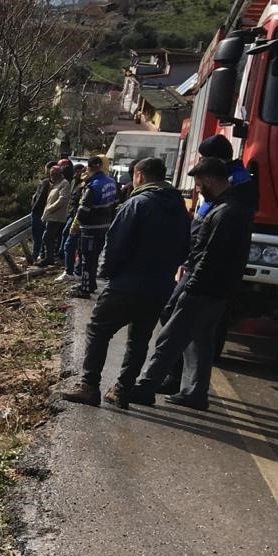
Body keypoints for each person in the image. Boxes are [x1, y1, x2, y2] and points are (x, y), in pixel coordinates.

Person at [61, 158, 191, 408]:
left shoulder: (136, 204)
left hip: (127, 284)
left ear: (140, 175)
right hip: (160, 286)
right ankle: (122, 390)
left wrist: (106, 273)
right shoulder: (179, 209)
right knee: (139, 339)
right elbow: (185, 249)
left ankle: (89, 386)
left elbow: (116, 244)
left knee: (99, 330)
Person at [131, 156, 257, 410]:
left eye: (200, 184)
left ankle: (146, 387)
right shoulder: (233, 208)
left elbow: (210, 255)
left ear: (210, 180)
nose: (198, 190)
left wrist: (190, 286)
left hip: (204, 287)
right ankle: (195, 392)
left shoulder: (226, 213)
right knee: (201, 341)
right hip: (219, 289)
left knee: (171, 336)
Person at [69, 156, 120, 298]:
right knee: (94, 258)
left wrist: (75, 226)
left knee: (86, 259)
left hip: (90, 229)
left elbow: (84, 210)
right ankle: (91, 283)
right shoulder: (111, 182)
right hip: (105, 227)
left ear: (90, 168)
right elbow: (116, 203)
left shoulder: (93, 186)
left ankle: (85, 289)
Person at [39, 162, 75, 267]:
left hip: (56, 216)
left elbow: (62, 199)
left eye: (54, 174)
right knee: (47, 237)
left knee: (47, 237)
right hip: (50, 215)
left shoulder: (64, 183)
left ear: (58, 174)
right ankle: (48, 257)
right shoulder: (54, 184)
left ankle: (49, 258)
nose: (52, 177)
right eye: (51, 174)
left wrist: (50, 208)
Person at [28, 163, 54, 264]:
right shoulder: (53, 183)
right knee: (41, 235)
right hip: (44, 213)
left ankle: (35, 255)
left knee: (37, 236)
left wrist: (34, 208)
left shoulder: (46, 183)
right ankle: (39, 254)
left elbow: (40, 198)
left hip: (39, 213)